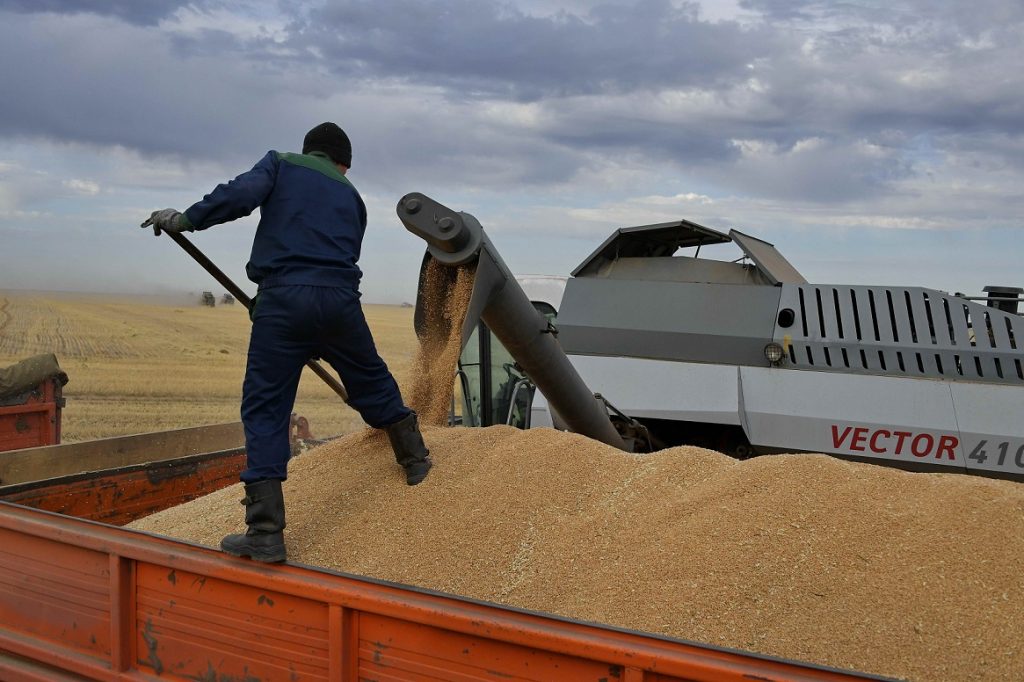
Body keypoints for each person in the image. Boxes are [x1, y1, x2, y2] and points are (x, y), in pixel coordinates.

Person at [141, 122, 431, 563]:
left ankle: (265, 533)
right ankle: (415, 459)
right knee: (369, 377)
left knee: (266, 405)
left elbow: (239, 195)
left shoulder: (280, 163)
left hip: (284, 300)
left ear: (308, 150)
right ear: (344, 163)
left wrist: (186, 219)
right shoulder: (352, 196)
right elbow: (335, 254)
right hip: (340, 300)